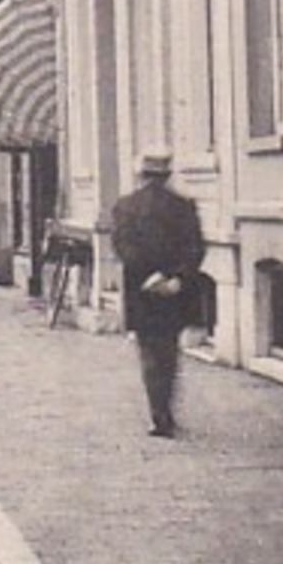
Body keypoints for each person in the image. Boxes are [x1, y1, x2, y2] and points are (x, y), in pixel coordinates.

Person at [111, 148, 205, 438]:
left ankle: (159, 415)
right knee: (170, 352)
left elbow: (123, 247)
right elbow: (195, 248)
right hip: (175, 291)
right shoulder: (184, 206)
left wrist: (150, 275)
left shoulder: (125, 206)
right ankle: (166, 410)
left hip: (142, 291)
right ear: (166, 175)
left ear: (141, 174)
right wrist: (175, 276)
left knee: (149, 353)